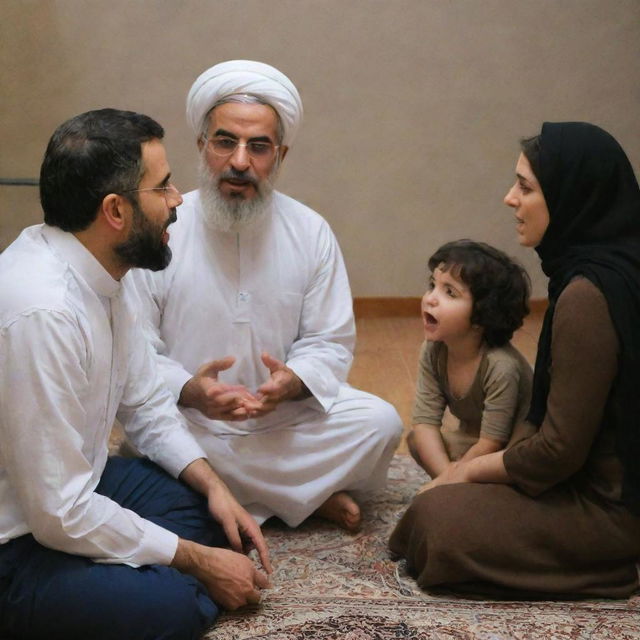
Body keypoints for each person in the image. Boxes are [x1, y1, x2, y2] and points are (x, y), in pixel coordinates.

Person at [0, 109, 272, 640]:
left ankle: (135, 580)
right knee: (165, 609)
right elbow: (58, 513)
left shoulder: (105, 271)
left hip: (68, 490)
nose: (177, 201)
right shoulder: (43, 312)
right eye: (163, 187)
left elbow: (146, 403)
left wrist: (215, 487)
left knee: (199, 506)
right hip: (17, 539)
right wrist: (197, 563)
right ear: (115, 211)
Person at [126, 60, 403, 532]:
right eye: (225, 141)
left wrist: (292, 382)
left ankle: (230, 491)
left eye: (258, 147)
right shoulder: (161, 225)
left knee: (380, 422)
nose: (239, 161)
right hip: (193, 418)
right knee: (148, 434)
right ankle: (306, 497)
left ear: (280, 155)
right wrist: (192, 390)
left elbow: (329, 341)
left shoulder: (310, 230)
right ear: (201, 145)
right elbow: (136, 351)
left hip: (280, 421)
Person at [389, 122, 640, 598]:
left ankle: (605, 568)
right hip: (608, 493)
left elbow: (558, 451)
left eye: (525, 186)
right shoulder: (614, 269)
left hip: (608, 511)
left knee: (434, 522)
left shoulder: (589, 295)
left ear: (570, 196)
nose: (510, 198)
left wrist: (463, 474)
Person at [407, 240, 532, 481]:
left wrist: (448, 482)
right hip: (473, 443)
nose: (431, 298)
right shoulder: (433, 350)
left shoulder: (501, 366)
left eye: (449, 292)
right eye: (433, 285)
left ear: (481, 317)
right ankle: (458, 488)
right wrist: (448, 479)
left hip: (509, 451)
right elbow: (424, 423)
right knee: (416, 441)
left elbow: (492, 443)